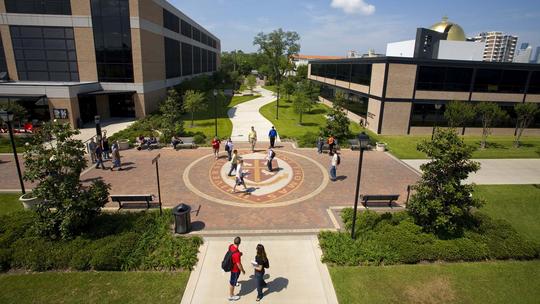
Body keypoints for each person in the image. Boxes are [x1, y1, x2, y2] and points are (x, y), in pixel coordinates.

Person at [228, 237, 245, 302]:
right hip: (235, 270)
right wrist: (243, 270)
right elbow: (239, 264)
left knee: (234, 280)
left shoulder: (231, 246)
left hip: (232, 267)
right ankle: (231, 296)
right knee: (232, 283)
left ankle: (235, 282)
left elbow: (232, 253)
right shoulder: (236, 254)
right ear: (239, 243)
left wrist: (239, 254)